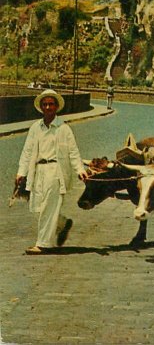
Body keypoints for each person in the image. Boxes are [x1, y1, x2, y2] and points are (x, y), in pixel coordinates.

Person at [15, 89, 88, 254]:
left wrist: (80, 170)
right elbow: (27, 151)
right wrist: (21, 172)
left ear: (56, 107)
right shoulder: (35, 128)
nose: (48, 107)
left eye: (51, 104)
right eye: (45, 104)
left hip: (56, 171)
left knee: (48, 206)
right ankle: (62, 224)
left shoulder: (63, 128)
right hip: (38, 171)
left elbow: (73, 152)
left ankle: (42, 244)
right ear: (41, 107)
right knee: (37, 207)